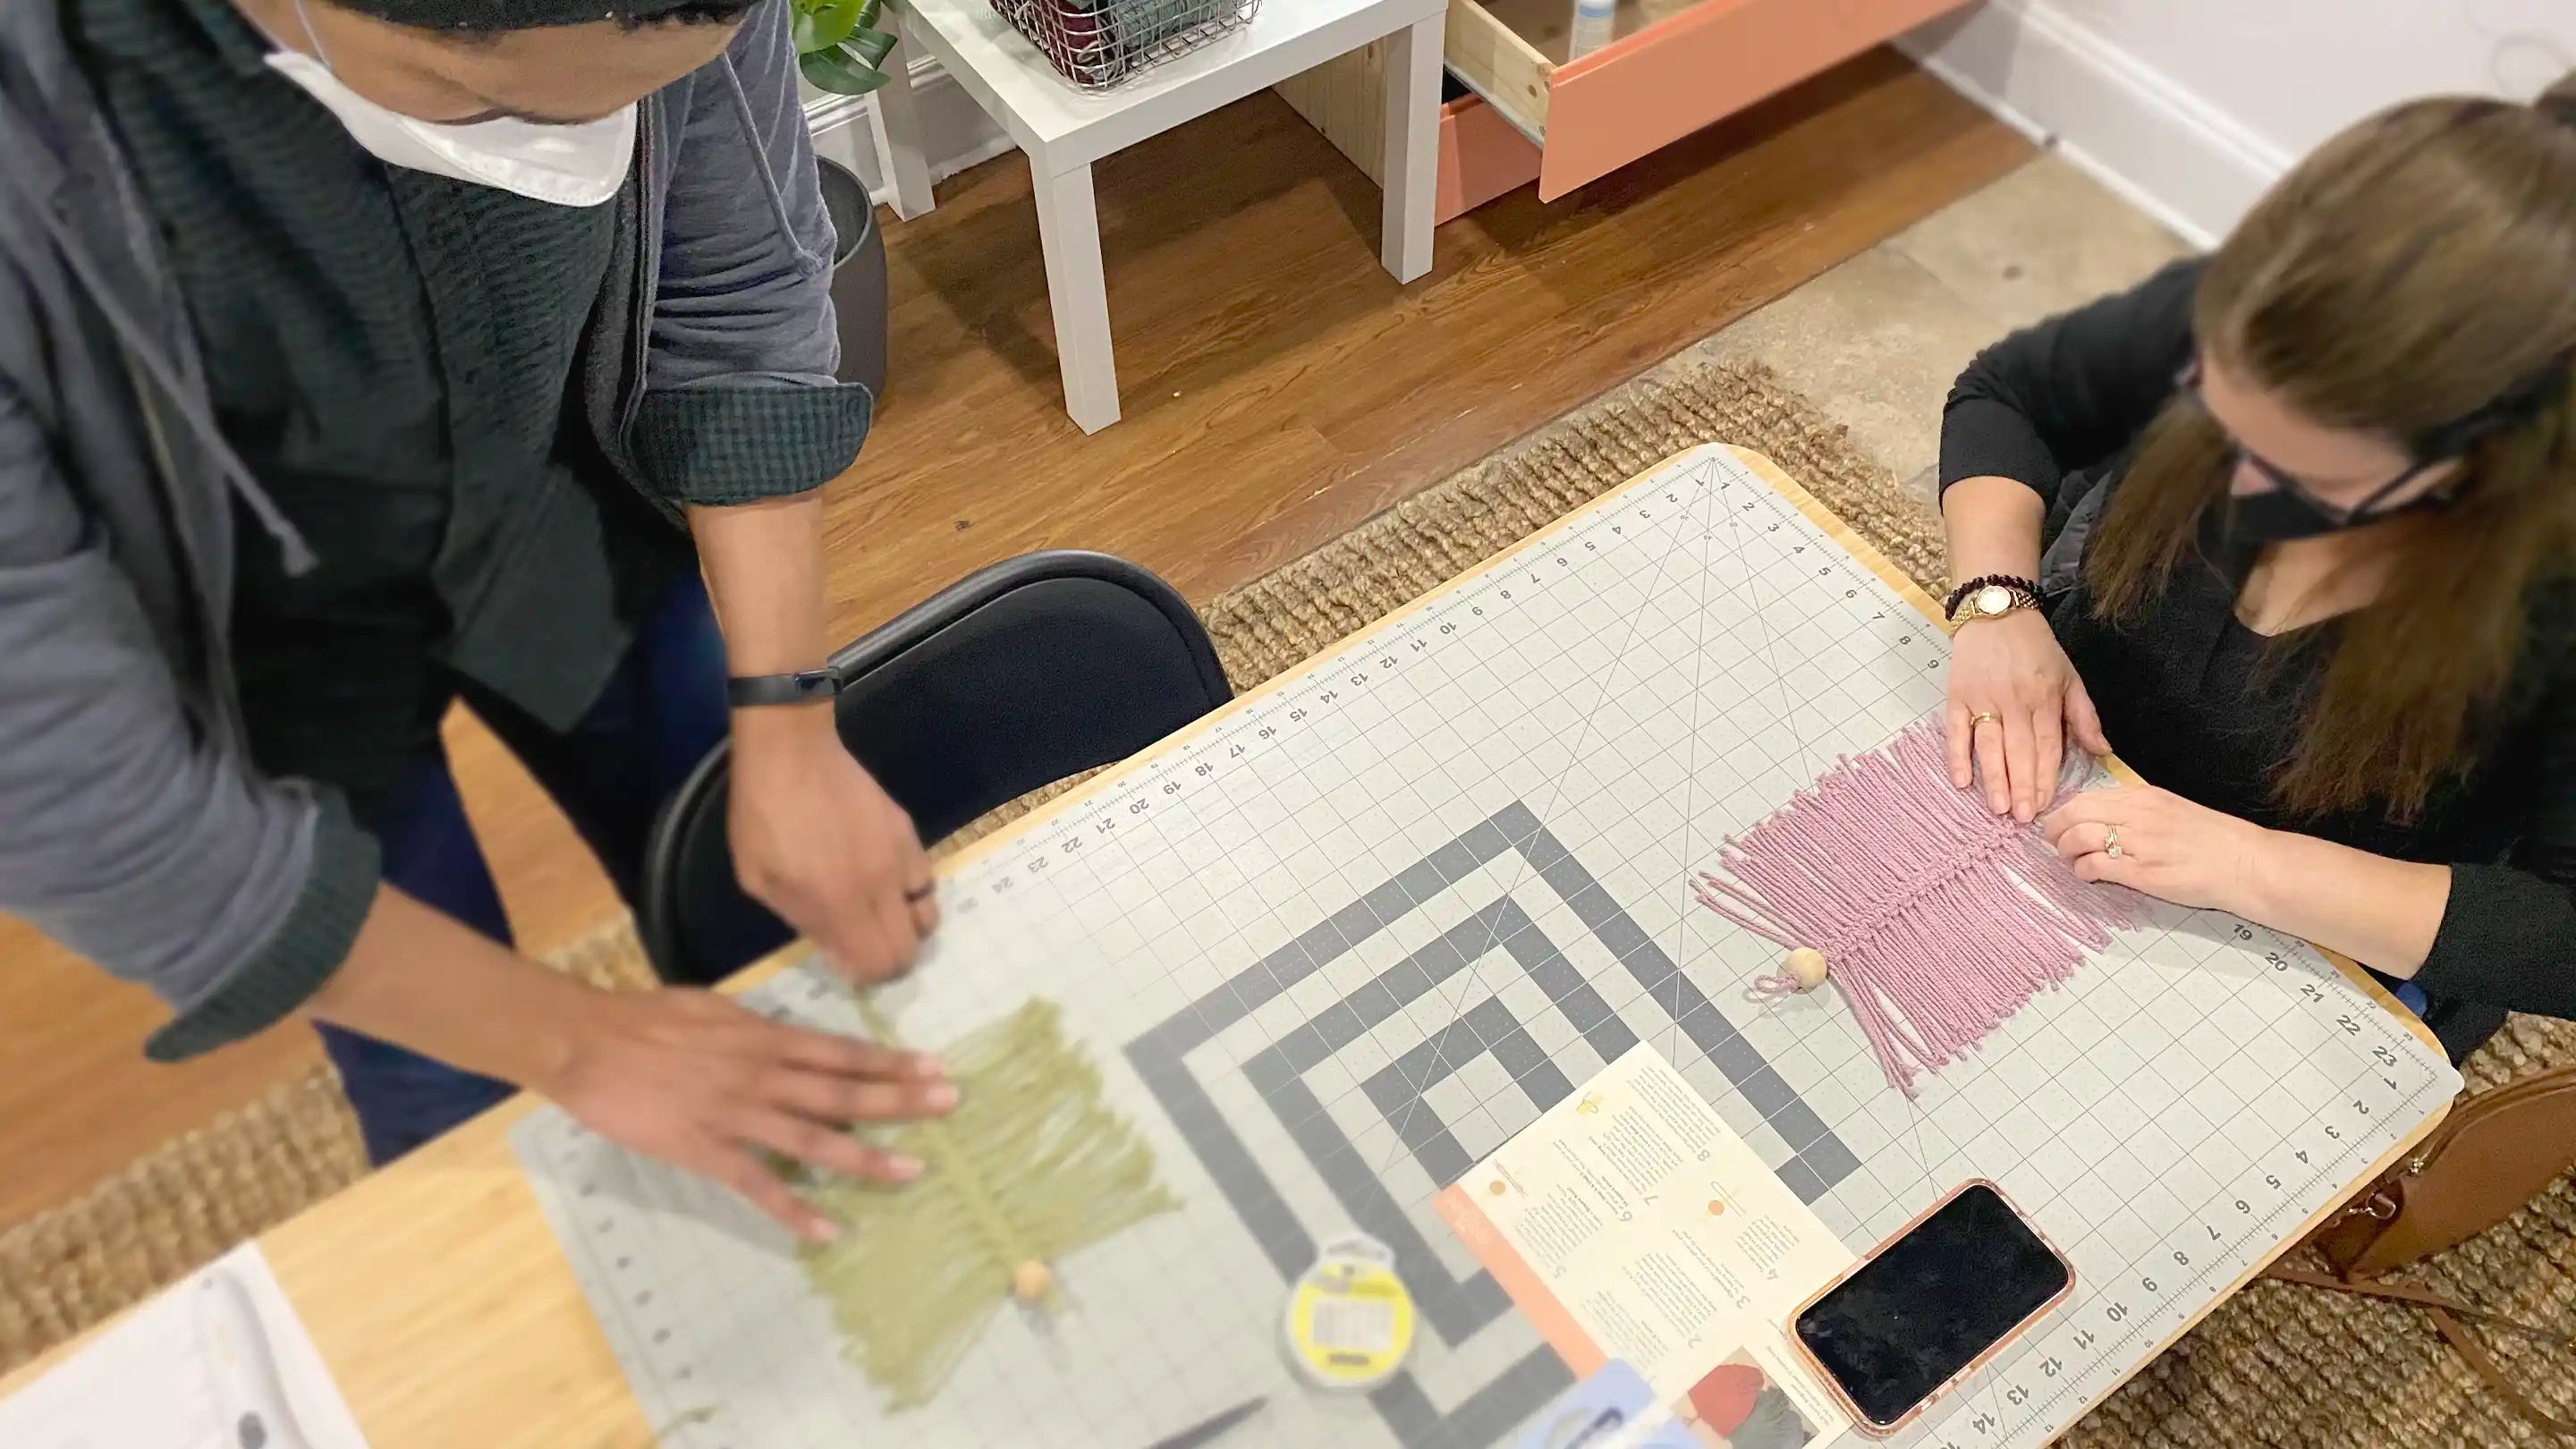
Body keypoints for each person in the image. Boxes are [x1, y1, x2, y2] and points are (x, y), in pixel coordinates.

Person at [1, 0, 950, 1240]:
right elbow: (73, 793)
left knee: (766, 900)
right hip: (267, 660)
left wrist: (789, 716)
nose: (593, 147)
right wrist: (575, 1045)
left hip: (552, 518)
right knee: (461, 1105)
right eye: (507, 110)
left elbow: (738, 288)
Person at [1936, 75, 2576, 1063]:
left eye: (2308, 475)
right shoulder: (2249, 312)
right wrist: (1997, 604)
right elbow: (2006, 395)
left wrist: (2250, 867)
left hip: (2310, 949)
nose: (2242, 488)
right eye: (2223, 422)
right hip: (2058, 803)